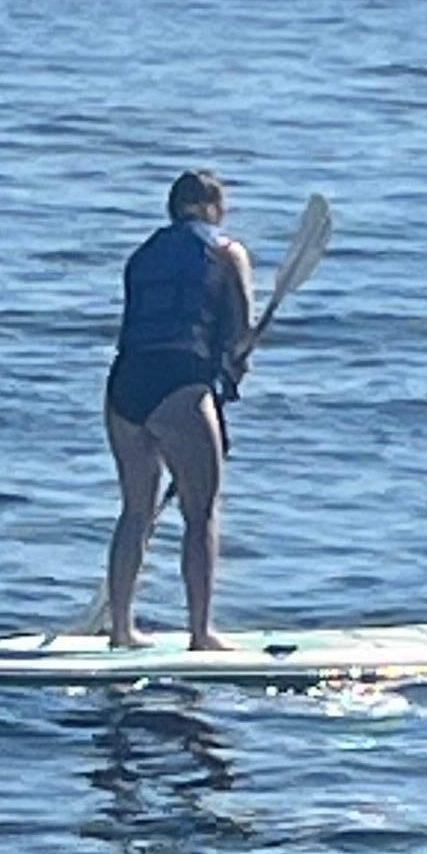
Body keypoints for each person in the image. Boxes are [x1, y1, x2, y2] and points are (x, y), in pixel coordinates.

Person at [103, 168, 254, 648]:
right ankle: (200, 633)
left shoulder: (142, 254)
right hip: (180, 386)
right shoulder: (228, 253)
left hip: (124, 386)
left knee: (135, 510)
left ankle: (122, 629)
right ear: (212, 206)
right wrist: (235, 366)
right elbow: (238, 333)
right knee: (200, 511)